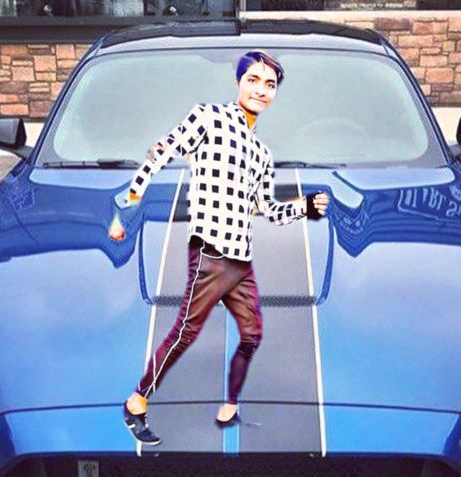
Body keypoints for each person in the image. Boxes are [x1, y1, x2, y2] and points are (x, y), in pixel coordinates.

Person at [110, 49, 329, 445]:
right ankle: (135, 403)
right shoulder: (209, 118)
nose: (261, 90)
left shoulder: (262, 154)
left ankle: (229, 406)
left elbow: (268, 210)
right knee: (185, 333)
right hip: (211, 254)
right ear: (238, 82)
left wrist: (305, 207)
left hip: (241, 263)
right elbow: (163, 149)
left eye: (269, 85)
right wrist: (132, 198)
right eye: (253, 80)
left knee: (252, 334)